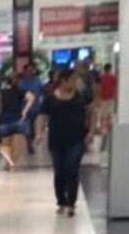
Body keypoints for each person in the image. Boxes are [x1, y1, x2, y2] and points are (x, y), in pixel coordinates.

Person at [36, 69, 92, 217]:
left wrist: (91, 131)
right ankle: (61, 200)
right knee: (59, 172)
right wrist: (39, 133)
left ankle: (71, 202)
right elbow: (42, 116)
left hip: (76, 139)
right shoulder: (50, 99)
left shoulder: (81, 96)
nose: (75, 83)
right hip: (56, 140)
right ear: (63, 81)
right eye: (72, 80)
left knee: (72, 169)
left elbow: (91, 111)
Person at [0, 72, 35, 169]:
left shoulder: (1, 92)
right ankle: (11, 164)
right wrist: (24, 111)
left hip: (3, 121)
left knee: (5, 146)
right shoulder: (20, 91)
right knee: (17, 147)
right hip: (17, 120)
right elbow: (31, 98)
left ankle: (9, 163)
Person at [17, 63, 43, 154]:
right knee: (27, 129)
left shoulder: (38, 80)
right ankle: (29, 144)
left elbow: (41, 91)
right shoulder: (20, 82)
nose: (30, 72)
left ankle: (32, 140)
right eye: (28, 71)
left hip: (36, 108)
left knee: (34, 129)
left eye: (32, 70)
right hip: (25, 109)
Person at [98, 63, 118, 136]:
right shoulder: (113, 77)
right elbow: (115, 87)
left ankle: (101, 128)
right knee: (109, 113)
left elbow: (99, 88)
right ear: (109, 69)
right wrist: (115, 96)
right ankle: (108, 128)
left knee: (102, 113)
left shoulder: (100, 77)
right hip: (110, 97)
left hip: (102, 97)